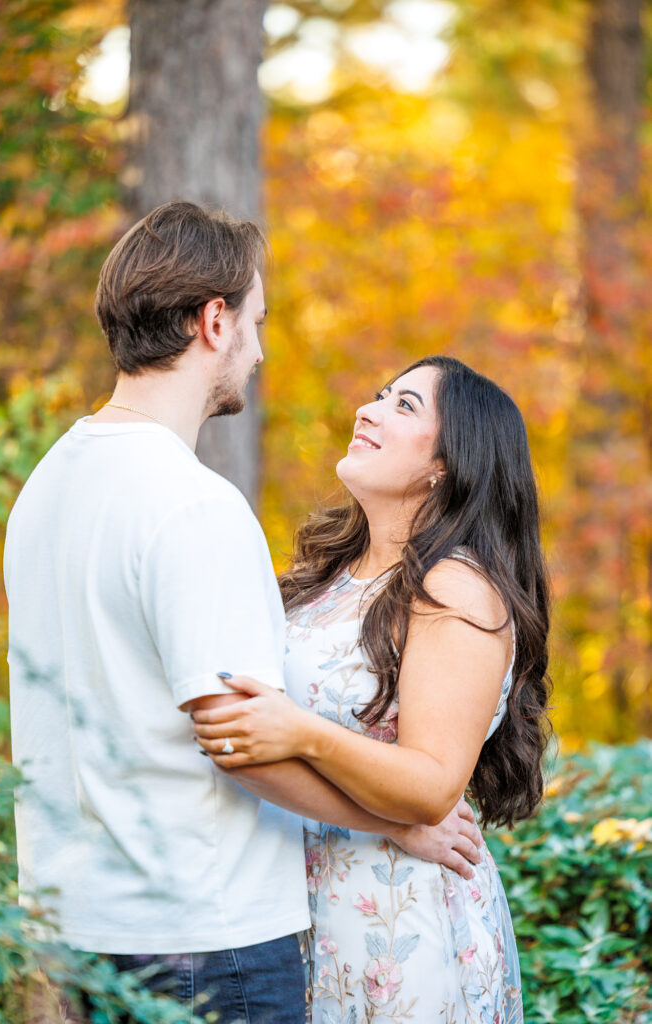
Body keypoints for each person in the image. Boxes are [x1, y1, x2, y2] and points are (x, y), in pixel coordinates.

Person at [4, 203, 484, 1024]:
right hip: (201, 941)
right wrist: (389, 826)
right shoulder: (193, 504)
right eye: (255, 324)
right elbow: (237, 740)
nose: (258, 352)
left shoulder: (48, 484)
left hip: (69, 930)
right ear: (214, 321)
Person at [192, 355, 552, 1023]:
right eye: (379, 394)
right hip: (300, 901)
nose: (367, 410)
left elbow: (432, 785)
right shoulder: (328, 578)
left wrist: (300, 731)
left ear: (447, 462)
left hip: (397, 920)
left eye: (404, 405)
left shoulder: (454, 588)